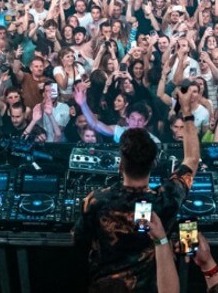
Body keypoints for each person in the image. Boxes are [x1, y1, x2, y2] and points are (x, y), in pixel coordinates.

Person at [73, 84, 199, 292]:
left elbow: (79, 244)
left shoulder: (95, 201)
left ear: (120, 164)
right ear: (153, 164)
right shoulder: (166, 199)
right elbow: (192, 159)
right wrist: (186, 112)